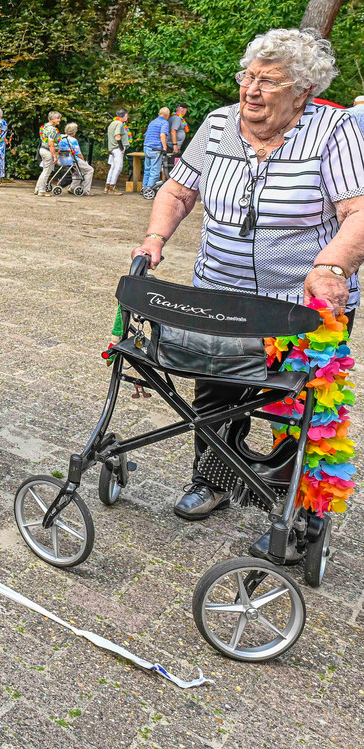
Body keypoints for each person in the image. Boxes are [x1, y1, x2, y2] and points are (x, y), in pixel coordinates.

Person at [132, 29, 364, 552]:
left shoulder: (334, 130)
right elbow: (178, 190)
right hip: (221, 293)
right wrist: (155, 238)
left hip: (302, 305)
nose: (251, 90)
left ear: (303, 91)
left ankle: (301, 511)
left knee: (304, 406)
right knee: (215, 390)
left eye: (269, 82)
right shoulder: (218, 125)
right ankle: (212, 479)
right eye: (248, 77)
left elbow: (357, 210)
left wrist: (333, 266)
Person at [142, 106, 171, 198]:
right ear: (167, 115)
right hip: (156, 148)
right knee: (155, 171)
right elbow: (162, 135)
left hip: (147, 147)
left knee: (147, 169)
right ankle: (150, 189)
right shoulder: (164, 122)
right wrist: (165, 147)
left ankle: (144, 188)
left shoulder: (153, 122)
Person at [59, 122, 93, 195]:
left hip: (62, 159)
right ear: (74, 132)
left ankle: (73, 188)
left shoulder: (60, 137)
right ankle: (85, 191)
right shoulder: (73, 140)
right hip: (72, 160)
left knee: (77, 171)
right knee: (90, 170)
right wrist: (84, 160)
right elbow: (78, 153)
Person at [34, 111, 62, 195]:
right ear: (52, 119)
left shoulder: (45, 126)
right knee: (46, 171)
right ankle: (41, 190)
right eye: (57, 118)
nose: (59, 120)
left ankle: (37, 188)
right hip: (48, 151)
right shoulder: (52, 129)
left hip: (43, 149)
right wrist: (55, 156)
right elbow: (51, 144)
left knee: (45, 170)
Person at [104, 108, 130, 194]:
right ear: (125, 115)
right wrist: (121, 148)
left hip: (112, 148)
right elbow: (117, 136)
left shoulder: (113, 123)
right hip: (117, 148)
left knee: (113, 167)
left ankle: (107, 186)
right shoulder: (119, 124)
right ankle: (112, 187)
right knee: (118, 167)